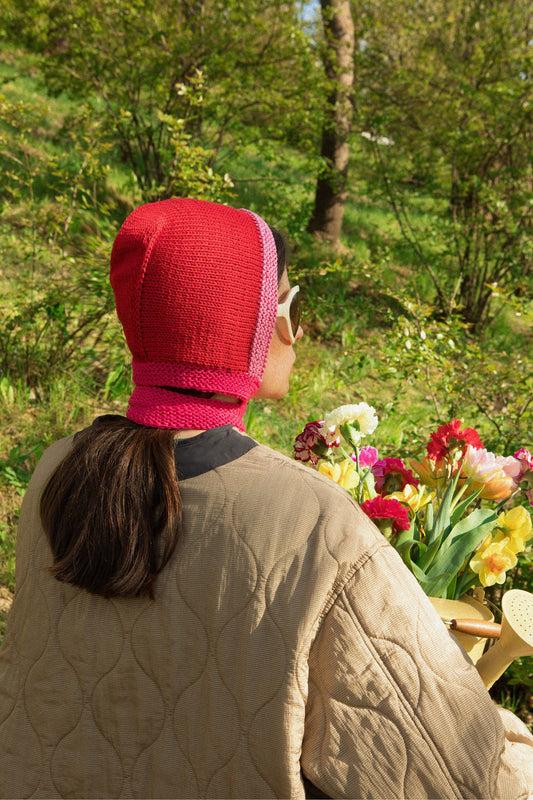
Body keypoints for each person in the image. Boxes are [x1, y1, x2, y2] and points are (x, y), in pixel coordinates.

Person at [0, 198, 532, 799]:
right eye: (290, 305)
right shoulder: (309, 521)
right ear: (237, 323)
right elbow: (452, 763)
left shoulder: (57, 469)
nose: (298, 330)